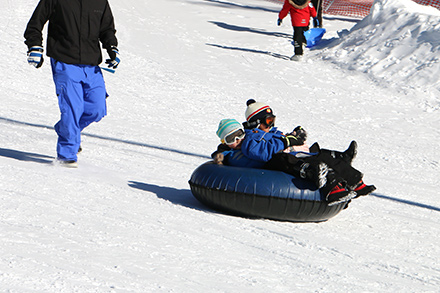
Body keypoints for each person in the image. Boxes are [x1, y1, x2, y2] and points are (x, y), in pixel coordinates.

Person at [212, 100, 376, 206]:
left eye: (272, 120)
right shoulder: (250, 140)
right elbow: (263, 152)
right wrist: (287, 141)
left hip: (286, 154)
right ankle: (330, 185)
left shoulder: (259, 135)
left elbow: (278, 140)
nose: (238, 139)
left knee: (319, 155)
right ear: (255, 123)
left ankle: (353, 178)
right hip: (275, 163)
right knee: (295, 160)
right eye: (231, 138)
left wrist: (294, 137)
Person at [24, 0, 120, 168]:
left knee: (97, 109)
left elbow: (106, 29)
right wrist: (34, 46)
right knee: (72, 108)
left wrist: (112, 48)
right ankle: (67, 155)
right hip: (64, 61)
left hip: (91, 65)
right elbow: (35, 23)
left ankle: (67, 129)